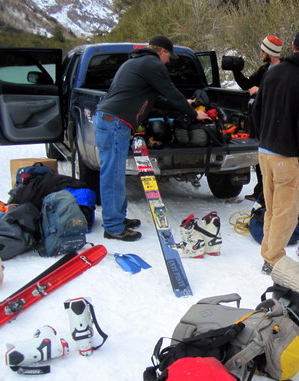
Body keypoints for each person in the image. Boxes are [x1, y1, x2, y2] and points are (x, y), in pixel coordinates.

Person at [94, 36, 209, 241]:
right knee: (112, 175)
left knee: (116, 174)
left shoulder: (136, 62)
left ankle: (118, 219)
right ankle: (113, 227)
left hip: (112, 122)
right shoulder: (152, 63)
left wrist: (185, 104)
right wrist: (194, 113)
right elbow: (171, 92)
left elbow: (159, 101)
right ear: (162, 51)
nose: (168, 62)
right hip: (114, 123)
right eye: (168, 57)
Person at [252, 30, 299, 274]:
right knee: (286, 212)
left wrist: (264, 137)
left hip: (265, 152)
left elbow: (256, 110)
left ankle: (268, 254)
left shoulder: (272, 73)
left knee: (272, 208)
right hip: (287, 156)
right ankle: (273, 260)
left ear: (292, 46)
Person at [230, 35, 283, 201]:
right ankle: (260, 190)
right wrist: (235, 70)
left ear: (270, 52)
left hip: (273, 120)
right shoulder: (265, 69)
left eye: (263, 50)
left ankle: (267, 194)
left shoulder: (283, 71)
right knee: (260, 157)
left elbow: (279, 94)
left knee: (270, 158)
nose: (261, 53)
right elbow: (247, 85)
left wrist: (260, 91)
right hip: (259, 119)